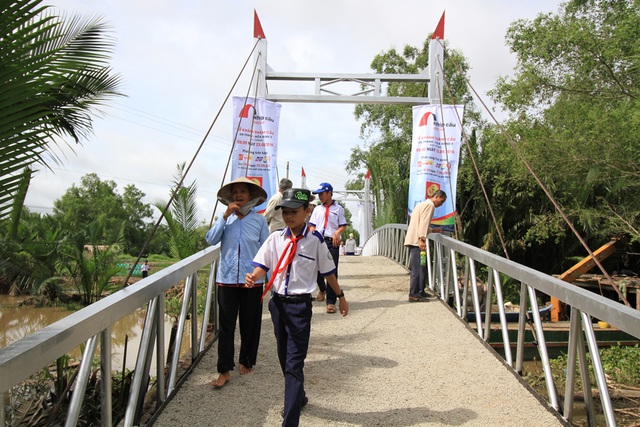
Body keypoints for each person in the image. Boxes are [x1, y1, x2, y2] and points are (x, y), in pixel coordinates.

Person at [245, 188, 349, 426]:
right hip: (277, 306)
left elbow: (328, 272)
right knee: (284, 358)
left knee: (294, 364)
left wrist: (340, 296)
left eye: (294, 211)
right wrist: (253, 276)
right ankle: (299, 396)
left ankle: (290, 420)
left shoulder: (315, 242)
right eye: (285, 212)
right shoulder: (274, 239)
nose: (289, 216)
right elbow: (263, 265)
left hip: (300, 308)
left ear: (307, 212)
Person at [205, 176, 270, 388]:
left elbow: (266, 251)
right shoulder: (226, 220)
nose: (238, 195)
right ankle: (224, 370)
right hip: (226, 280)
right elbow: (210, 239)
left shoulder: (259, 221)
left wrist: (261, 275)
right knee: (226, 327)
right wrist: (224, 217)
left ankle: (247, 360)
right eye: (235, 193)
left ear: (251, 196)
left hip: (252, 281)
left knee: (250, 324)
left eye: (243, 192)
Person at [308, 182, 347, 313]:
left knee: (331, 271)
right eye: (318, 194)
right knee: (316, 269)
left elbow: (342, 225)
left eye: (322, 193)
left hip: (332, 242)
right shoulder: (317, 209)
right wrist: (312, 235)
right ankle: (322, 289)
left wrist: (337, 232)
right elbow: (312, 225)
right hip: (318, 241)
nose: (319, 196)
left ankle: (331, 301)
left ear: (329, 193)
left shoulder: (339, 209)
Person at [403, 189, 447, 302]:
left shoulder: (421, 205)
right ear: (436, 196)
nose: (440, 204)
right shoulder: (429, 205)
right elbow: (423, 223)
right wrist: (421, 239)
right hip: (417, 242)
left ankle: (420, 291)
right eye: (441, 201)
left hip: (416, 240)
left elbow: (420, 223)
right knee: (417, 269)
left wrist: (432, 230)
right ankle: (414, 294)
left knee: (422, 267)